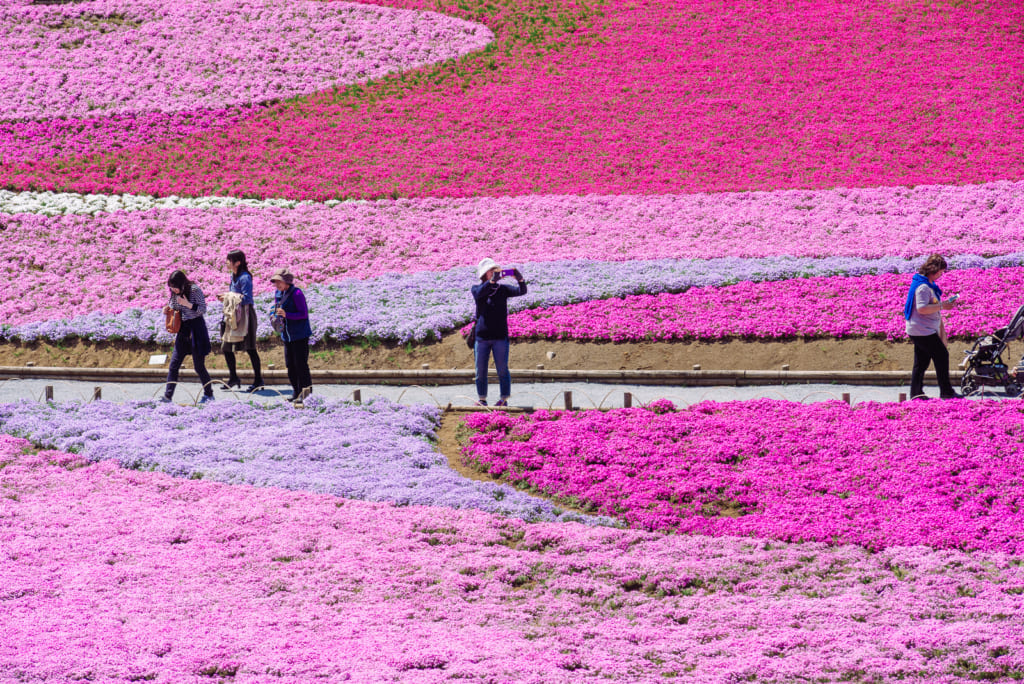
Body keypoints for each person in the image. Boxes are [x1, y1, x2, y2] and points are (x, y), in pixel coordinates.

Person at [471, 257, 527, 406]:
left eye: (495, 270)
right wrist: (492, 282)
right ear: (484, 274)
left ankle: (504, 399)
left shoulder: (503, 289)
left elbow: (522, 291)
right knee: (480, 371)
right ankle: (482, 399)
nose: (494, 272)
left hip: (500, 337)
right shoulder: (477, 289)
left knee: (502, 369)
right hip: (482, 337)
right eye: (491, 270)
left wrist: (520, 279)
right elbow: (479, 294)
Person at [904, 254, 960, 399]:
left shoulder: (927, 284)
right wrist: (942, 306)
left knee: (921, 362)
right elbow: (921, 308)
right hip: (922, 330)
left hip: (921, 329)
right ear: (934, 271)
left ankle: (916, 393)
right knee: (941, 356)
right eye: (941, 272)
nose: (941, 275)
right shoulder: (923, 287)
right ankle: (946, 391)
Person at [162, 270, 214, 403]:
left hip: (196, 329)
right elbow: (174, 306)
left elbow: (202, 309)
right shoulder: (174, 293)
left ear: (182, 283)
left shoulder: (194, 289)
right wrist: (167, 309)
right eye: (171, 288)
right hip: (183, 329)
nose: (173, 290)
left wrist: (188, 304)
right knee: (174, 364)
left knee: (199, 366)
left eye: (175, 287)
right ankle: (167, 396)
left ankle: (209, 393)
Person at [217, 249, 264, 392]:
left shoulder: (245, 277)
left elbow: (247, 298)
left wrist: (228, 296)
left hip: (245, 315)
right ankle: (233, 377)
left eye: (229, 260)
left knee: (250, 348)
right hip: (233, 315)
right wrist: (228, 297)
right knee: (226, 347)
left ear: (237, 262)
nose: (226, 262)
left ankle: (258, 380)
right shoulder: (233, 275)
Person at [269, 267, 312, 404]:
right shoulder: (278, 293)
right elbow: (278, 307)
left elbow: (303, 314)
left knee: (301, 365)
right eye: (275, 282)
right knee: (290, 365)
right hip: (286, 336)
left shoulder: (297, 293)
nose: (276, 285)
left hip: (299, 335)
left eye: (279, 282)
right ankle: (296, 391)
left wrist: (288, 315)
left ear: (286, 281)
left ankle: (306, 394)